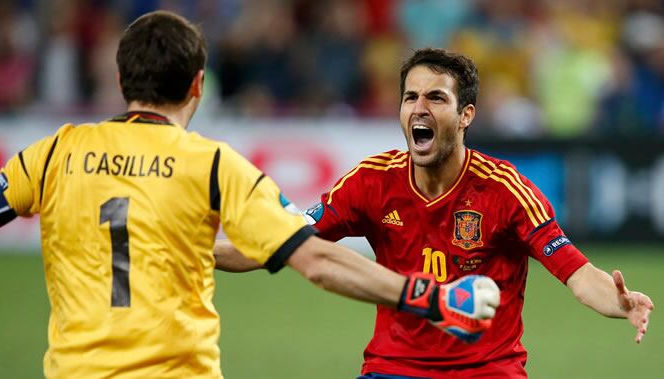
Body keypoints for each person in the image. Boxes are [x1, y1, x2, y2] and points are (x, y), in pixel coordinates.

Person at [0, 13, 501, 379]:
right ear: (198, 85)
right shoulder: (215, 166)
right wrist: (434, 298)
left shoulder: (54, 152)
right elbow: (318, 260)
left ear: (120, 78)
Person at [213, 48, 654, 378]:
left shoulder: (506, 190)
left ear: (466, 115)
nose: (419, 108)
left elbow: (577, 273)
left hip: (488, 372)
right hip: (393, 368)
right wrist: (195, 247)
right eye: (410, 97)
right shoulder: (370, 182)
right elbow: (278, 243)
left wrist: (619, 301)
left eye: (436, 98)